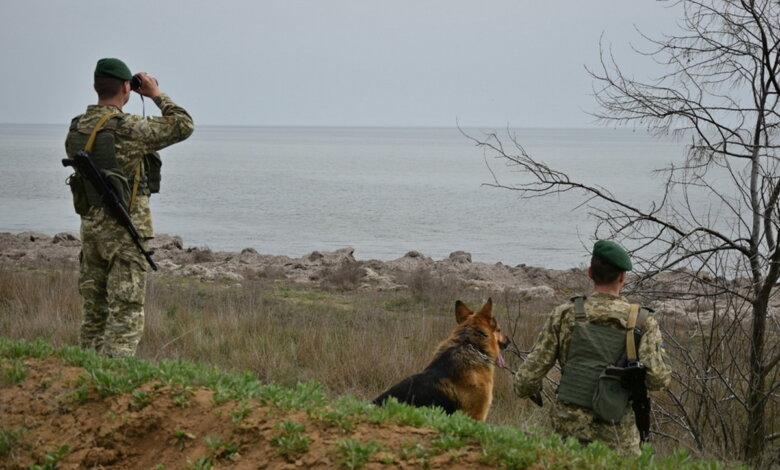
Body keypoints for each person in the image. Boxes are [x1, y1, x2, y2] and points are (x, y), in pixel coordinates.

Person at [65, 58, 194, 358]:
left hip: (92, 232)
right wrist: (155, 94)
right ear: (126, 87)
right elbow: (184, 125)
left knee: (94, 313)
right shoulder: (129, 129)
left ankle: (88, 373)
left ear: (95, 86)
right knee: (125, 314)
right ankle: (113, 383)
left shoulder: (77, 128)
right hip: (124, 234)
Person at [513, 240, 671, 456]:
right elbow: (658, 379)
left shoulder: (565, 314)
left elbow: (525, 380)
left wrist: (532, 391)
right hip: (617, 436)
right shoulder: (642, 321)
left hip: (568, 432)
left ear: (590, 272)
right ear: (623, 277)